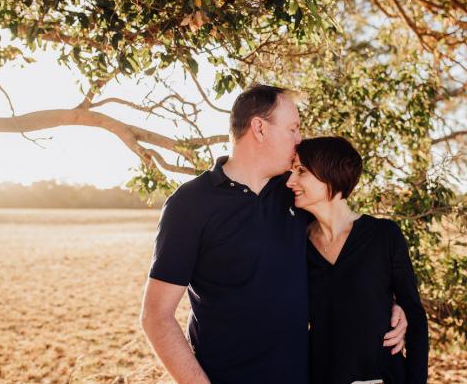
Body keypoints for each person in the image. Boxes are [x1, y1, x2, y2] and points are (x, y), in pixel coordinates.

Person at [140, 85, 408, 384]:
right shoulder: (190, 204)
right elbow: (156, 316)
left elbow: (344, 251)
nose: (299, 139)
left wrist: (390, 305)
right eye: (293, 128)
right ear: (259, 128)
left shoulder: (294, 192)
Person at [286, 136, 429, 384]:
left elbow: (415, 319)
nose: (290, 181)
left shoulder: (384, 235)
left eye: (301, 171)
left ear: (330, 174)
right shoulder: (296, 242)